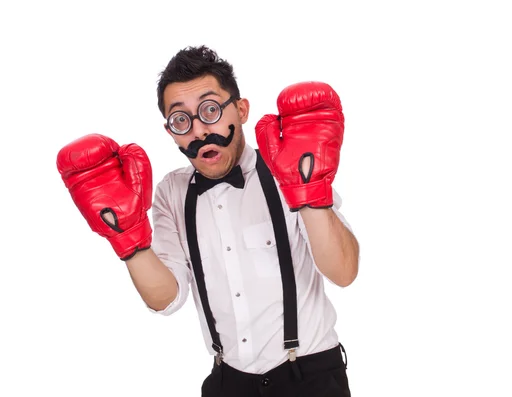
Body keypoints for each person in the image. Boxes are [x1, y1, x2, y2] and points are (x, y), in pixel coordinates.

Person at [57, 45, 360, 397]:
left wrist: (309, 191)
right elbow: (166, 299)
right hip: (227, 382)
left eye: (210, 110)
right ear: (170, 131)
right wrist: (126, 238)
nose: (199, 131)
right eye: (181, 119)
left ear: (242, 109)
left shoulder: (290, 168)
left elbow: (344, 271)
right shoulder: (171, 192)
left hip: (310, 377)